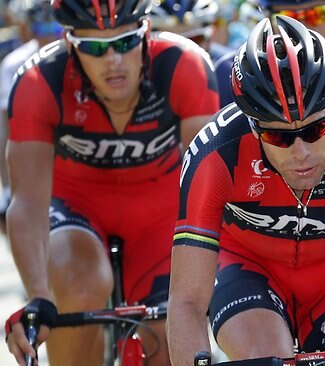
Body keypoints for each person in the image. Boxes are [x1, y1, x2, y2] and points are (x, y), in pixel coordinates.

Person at [3, 0, 219, 364]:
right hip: (76, 206)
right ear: (71, 45)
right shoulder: (39, 80)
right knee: (79, 284)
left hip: (160, 209)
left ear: (146, 32)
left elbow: (211, 185)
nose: (113, 61)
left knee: (170, 335)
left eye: (124, 43)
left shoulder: (185, 64)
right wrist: (39, 298)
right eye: (95, 48)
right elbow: (27, 201)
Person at [167, 15, 325, 365]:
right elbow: (187, 302)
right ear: (252, 126)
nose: (301, 152)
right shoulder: (216, 154)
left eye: (316, 129)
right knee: (263, 356)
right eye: (278, 136)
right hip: (249, 268)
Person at [0, 0, 63, 223]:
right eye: (42, 29)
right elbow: (7, 129)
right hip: (36, 159)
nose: (51, 36)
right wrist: (8, 188)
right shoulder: (13, 64)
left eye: (56, 28)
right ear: (28, 31)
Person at [149, 0, 220, 57]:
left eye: (194, 40)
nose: (184, 52)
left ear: (209, 38)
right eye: (169, 44)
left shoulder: (226, 69)